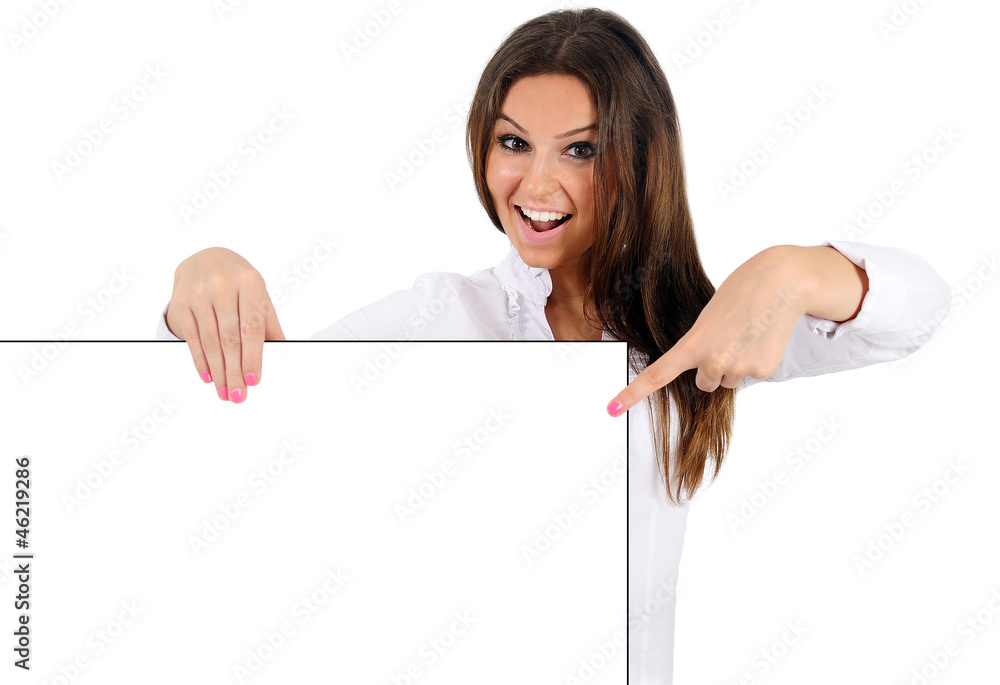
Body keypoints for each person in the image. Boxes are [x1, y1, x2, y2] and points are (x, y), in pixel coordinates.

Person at [156, 9, 949, 683]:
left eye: (581, 149)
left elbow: (919, 311)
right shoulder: (442, 316)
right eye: (513, 143)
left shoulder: (698, 333)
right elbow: (259, 396)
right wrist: (204, 281)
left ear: (641, 161)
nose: (535, 185)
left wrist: (796, 270)